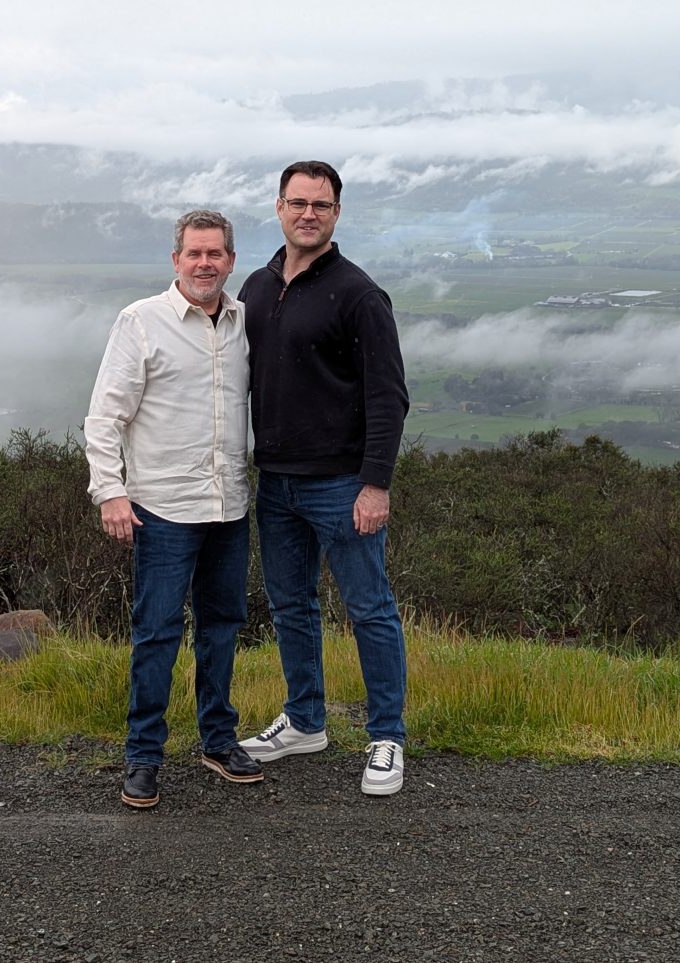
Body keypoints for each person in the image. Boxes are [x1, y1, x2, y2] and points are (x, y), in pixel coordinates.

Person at [237, 161, 410, 796]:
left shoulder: (360, 294)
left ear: (337, 214)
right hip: (275, 482)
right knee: (290, 607)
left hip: (343, 484)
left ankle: (386, 736)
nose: (308, 213)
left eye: (322, 204)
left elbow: (389, 396)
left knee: (370, 610)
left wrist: (376, 484)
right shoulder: (256, 286)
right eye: (298, 202)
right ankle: (306, 722)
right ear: (278, 208)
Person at [84, 210, 263, 809]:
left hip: (230, 507)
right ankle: (143, 756)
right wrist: (109, 490)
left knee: (222, 628)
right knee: (157, 633)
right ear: (176, 260)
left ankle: (217, 740)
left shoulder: (243, 322)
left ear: (231, 260)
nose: (205, 263)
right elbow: (106, 415)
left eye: (216, 253)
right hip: (161, 508)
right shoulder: (141, 321)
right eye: (194, 254)